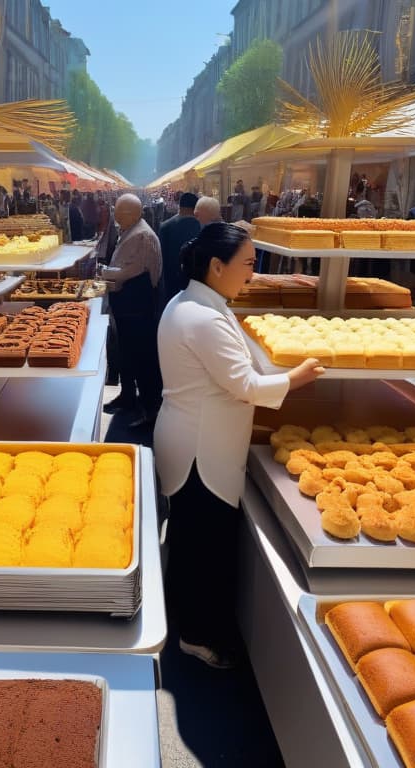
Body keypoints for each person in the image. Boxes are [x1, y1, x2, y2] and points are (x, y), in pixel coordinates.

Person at [156, 223, 324, 668]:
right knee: (202, 543)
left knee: (192, 537)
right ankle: (194, 635)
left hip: (192, 436)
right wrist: (297, 377)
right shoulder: (203, 316)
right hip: (200, 447)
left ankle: (187, 621)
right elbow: (245, 383)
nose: (252, 275)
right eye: (248, 265)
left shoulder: (197, 303)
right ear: (217, 266)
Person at [101, 194, 163, 424]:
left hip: (138, 307)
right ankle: (127, 397)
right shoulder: (130, 229)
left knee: (142, 358)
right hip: (127, 304)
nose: (115, 216)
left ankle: (150, 409)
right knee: (126, 354)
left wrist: (104, 273)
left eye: (119, 212)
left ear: (131, 214)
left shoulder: (142, 235)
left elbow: (129, 271)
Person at [158, 192, 201, 306]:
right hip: (193, 282)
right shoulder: (198, 225)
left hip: (170, 279)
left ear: (179, 206)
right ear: (195, 208)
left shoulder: (165, 226)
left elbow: (161, 256)